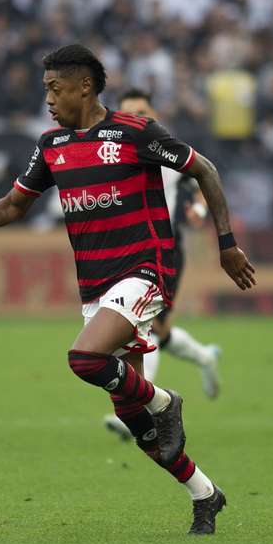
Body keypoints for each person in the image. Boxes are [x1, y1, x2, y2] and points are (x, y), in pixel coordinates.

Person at [0, 45, 256, 535]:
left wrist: (226, 244)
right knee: (136, 421)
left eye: (54, 88)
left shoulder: (136, 133)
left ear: (83, 86)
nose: (48, 98)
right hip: (97, 286)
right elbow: (15, 206)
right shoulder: (50, 145)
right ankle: (205, 494)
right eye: (45, 89)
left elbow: (203, 169)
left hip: (145, 272)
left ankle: (167, 401)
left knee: (84, 359)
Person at [101, 88, 224, 441]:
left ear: (154, 112)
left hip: (164, 249)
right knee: (159, 331)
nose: (136, 117)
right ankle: (204, 358)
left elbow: (200, 179)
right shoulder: (112, 152)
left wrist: (198, 210)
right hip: (127, 249)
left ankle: (138, 410)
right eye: (128, 112)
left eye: (142, 110)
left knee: (146, 329)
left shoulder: (165, 146)